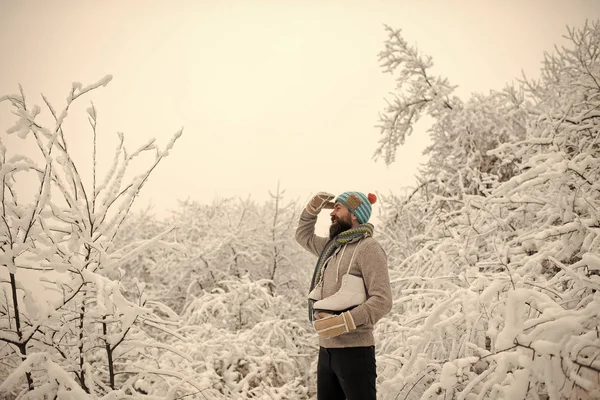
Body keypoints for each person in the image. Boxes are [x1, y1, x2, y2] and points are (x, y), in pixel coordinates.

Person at [295, 191, 392, 400]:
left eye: (339, 207)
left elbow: (382, 299)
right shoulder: (331, 248)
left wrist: (346, 321)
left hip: (355, 351)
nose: (332, 213)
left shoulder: (369, 248)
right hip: (326, 350)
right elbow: (302, 236)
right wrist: (311, 211)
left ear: (355, 214)